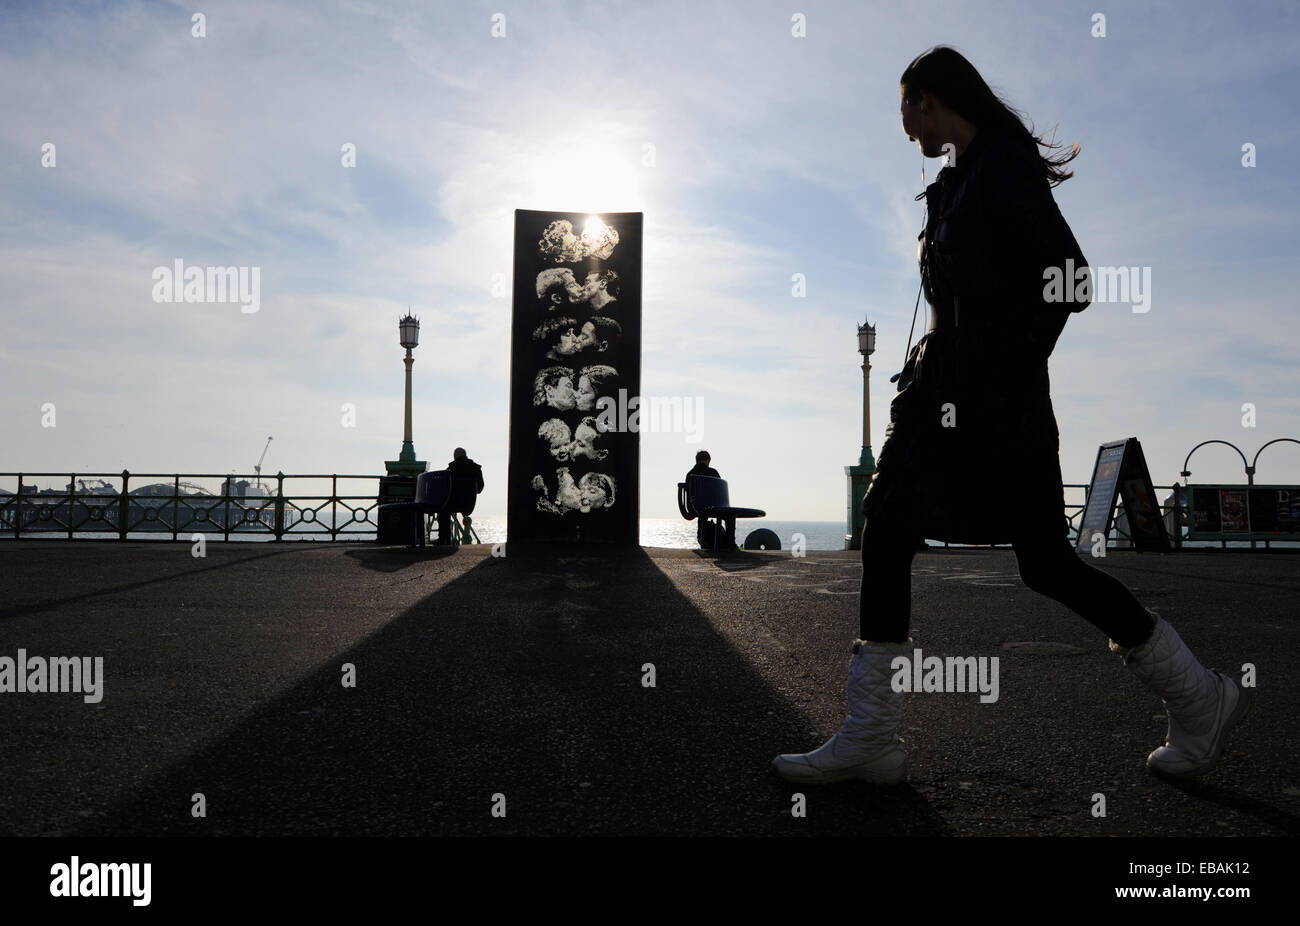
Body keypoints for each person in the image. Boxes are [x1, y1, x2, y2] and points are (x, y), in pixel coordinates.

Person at [773, 46, 1252, 786]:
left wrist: (1004, 364)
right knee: (892, 525)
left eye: (905, 110)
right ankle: (870, 737)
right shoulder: (961, 179)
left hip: (998, 407)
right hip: (941, 399)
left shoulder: (1003, 167)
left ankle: (1197, 696)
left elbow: (1073, 280)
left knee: (1046, 564)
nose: (902, 130)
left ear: (929, 99)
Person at [685, 451, 734, 550]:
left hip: (693, 507)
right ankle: (730, 543)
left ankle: (702, 538)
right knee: (729, 516)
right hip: (711, 507)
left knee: (702, 514)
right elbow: (719, 492)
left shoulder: (690, 474)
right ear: (708, 460)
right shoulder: (713, 472)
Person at [435, 448, 484, 544]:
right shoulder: (476, 468)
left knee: (443, 511)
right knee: (446, 508)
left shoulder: (451, 468)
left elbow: (443, 488)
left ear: (455, 456)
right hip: (468, 504)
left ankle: (444, 539)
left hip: (451, 503)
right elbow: (480, 489)